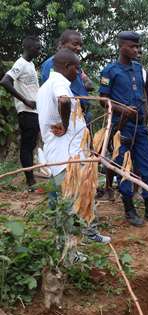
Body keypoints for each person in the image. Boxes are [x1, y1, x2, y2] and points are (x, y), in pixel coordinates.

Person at [36, 48, 110, 243]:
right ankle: (68, 252)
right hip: (66, 155)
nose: (78, 73)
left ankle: (89, 233)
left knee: (85, 192)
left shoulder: (46, 86)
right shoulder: (59, 82)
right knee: (69, 201)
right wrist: (66, 124)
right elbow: (63, 100)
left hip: (68, 153)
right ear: (67, 66)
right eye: (76, 69)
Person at [99, 31, 148, 228]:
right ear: (122, 47)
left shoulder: (139, 68)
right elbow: (103, 99)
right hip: (121, 128)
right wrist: (122, 109)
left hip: (140, 127)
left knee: (147, 168)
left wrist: (144, 114)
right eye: (133, 47)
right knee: (123, 169)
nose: (137, 50)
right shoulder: (109, 71)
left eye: (138, 47)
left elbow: (145, 95)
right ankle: (129, 210)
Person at [0, 36, 42, 189]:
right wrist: (25, 100)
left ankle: (31, 180)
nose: (39, 51)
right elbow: (5, 81)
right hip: (26, 111)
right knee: (27, 146)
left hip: (34, 111)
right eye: (38, 48)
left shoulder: (30, 65)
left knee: (30, 146)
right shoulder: (20, 63)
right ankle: (30, 182)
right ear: (30, 48)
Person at [40, 30, 94, 124]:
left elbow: (88, 85)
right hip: (68, 118)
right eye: (75, 44)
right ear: (61, 44)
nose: (79, 48)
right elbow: (54, 95)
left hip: (82, 116)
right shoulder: (51, 64)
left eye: (81, 45)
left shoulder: (75, 65)